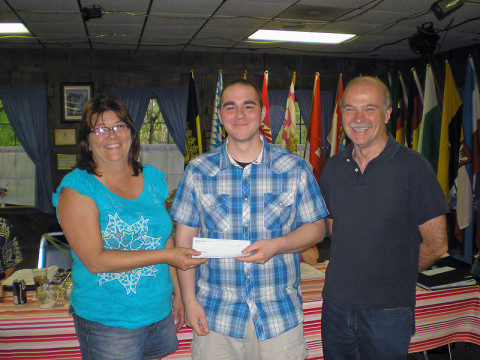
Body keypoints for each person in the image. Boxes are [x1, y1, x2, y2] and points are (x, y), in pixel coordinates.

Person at [170, 79, 328, 360]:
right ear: (220, 116)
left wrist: (277, 245)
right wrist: (189, 301)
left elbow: (317, 229)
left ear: (263, 113)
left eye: (248, 106)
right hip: (216, 317)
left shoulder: (295, 168)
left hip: (278, 317)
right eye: (230, 107)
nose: (239, 115)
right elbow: (183, 244)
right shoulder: (197, 171)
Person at [52, 95, 206, 360]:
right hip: (108, 320)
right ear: (87, 142)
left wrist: (178, 294)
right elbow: (95, 261)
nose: (112, 135)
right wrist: (166, 256)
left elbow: (164, 238)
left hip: (157, 312)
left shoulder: (152, 178)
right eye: (100, 128)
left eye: (119, 126)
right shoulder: (77, 188)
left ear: (132, 135)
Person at [319, 76, 449, 360]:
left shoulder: (413, 168)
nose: (359, 118)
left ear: (388, 114)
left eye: (370, 108)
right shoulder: (333, 167)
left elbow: (437, 244)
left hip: (388, 312)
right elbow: (334, 232)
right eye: (350, 109)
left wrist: (392, 277)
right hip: (336, 308)